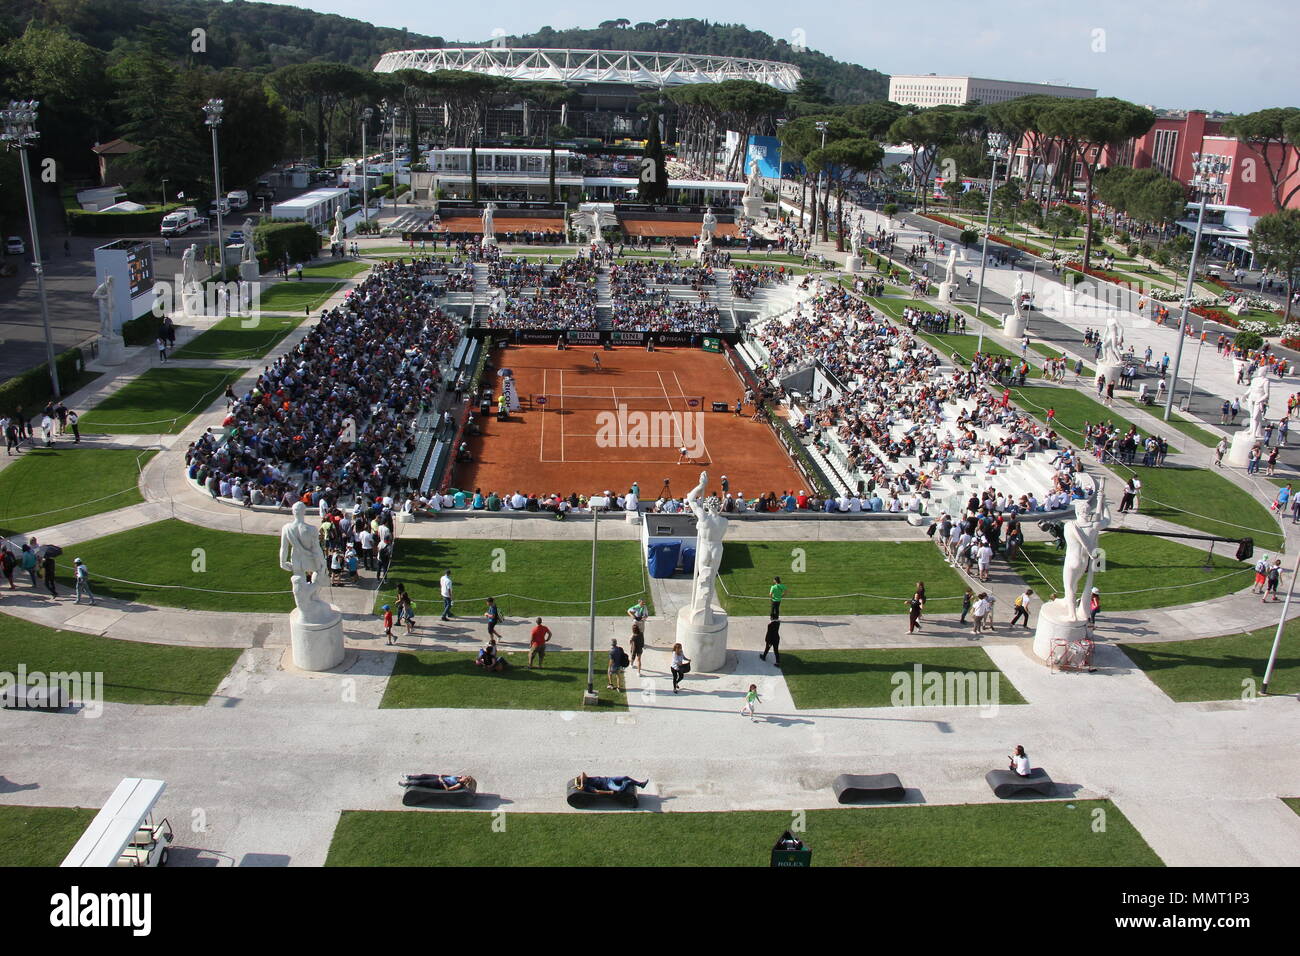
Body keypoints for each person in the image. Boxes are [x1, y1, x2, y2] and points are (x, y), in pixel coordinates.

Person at [576, 773, 648, 794]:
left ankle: (641, 784)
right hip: (608, 785)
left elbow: (582, 773)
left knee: (625, 777)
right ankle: (627, 783)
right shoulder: (587, 786)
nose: (582, 777)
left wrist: (581, 782)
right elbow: (596, 791)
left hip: (609, 779)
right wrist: (609, 792)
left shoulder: (586, 779)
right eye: (580, 778)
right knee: (621, 788)